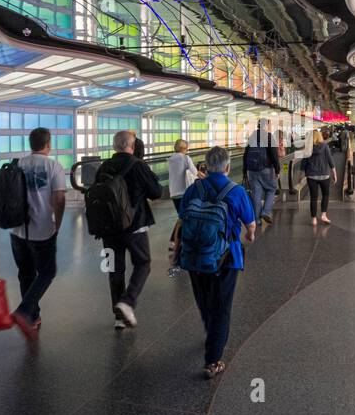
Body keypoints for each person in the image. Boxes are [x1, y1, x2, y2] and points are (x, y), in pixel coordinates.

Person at [176, 146, 256, 378]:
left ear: (205, 166)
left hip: (194, 254)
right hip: (226, 257)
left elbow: (182, 218)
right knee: (221, 307)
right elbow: (250, 224)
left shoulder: (194, 189)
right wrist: (250, 237)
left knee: (204, 298)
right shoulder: (236, 191)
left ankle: (211, 332)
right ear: (228, 167)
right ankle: (213, 361)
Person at [95, 130, 163, 329]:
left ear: (115, 146)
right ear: (132, 147)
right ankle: (128, 302)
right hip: (135, 226)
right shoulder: (138, 165)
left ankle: (118, 317)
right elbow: (156, 192)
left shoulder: (104, 167)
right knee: (143, 263)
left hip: (108, 229)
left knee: (114, 270)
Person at [8, 128, 67, 339]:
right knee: (47, 272)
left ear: (31, 144)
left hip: (17, 230)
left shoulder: (18, 164)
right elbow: (59, 199)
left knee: (25, 273)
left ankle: (33, 317)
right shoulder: (53, 166)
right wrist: (57, 225)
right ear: (48, 144)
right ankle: (24, 311)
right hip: (42, 229)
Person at [242, 119, 280, 226]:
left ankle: (257, 220)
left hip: (251, 171)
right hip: (266, 169)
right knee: (271, 189)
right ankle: (266, 212)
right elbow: (274, 155)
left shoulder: (252, 136)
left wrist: (244, 171)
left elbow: (245, 155)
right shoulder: (268, 136)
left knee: (256, 194)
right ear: (266, 125)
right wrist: (277, 170)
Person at [303, 130, 337, 227]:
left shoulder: (308, 148)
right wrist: (334, 173)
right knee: (325, 195)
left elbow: (304, 162)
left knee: (313, 197)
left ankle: (314, 219)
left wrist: (301, 174)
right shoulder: (325, 146)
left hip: (311, 175)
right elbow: (330, 160)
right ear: (320, 136)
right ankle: (323, 215)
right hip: (324, 175)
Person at [167, 139, 202, 218]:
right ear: (183, 148)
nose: (187, 151)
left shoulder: (170, 159)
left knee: (181, 216)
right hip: (183, 192)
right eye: (187, 149)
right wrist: (208, 178)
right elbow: (196, 173)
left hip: (173, 192)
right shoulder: (185, 158)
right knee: (187, 217)